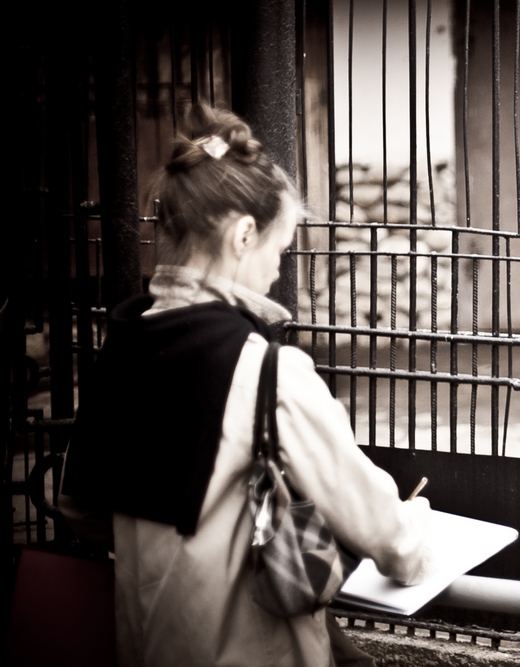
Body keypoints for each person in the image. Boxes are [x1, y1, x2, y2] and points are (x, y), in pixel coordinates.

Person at [58, 104, 433, 667]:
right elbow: (390, 540)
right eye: (278, 251)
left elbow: (80, 509)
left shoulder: (125, 345)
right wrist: (418, 523)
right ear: (243, 234)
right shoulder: (266, 371)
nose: (278, 271)